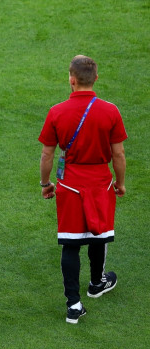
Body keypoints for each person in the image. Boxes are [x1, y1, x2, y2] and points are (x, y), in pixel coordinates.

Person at [38, 55, 127, 324]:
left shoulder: (57, 111)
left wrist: (46, 184)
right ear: (96, 79)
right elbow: (119, 154)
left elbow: (47, 154)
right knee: (99, 235)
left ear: (71, 79)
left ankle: (74, 305)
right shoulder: (110, 110)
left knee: (71, 243)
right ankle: (97, 283)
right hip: (101, 183)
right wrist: (120, 183)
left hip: (69, 184)